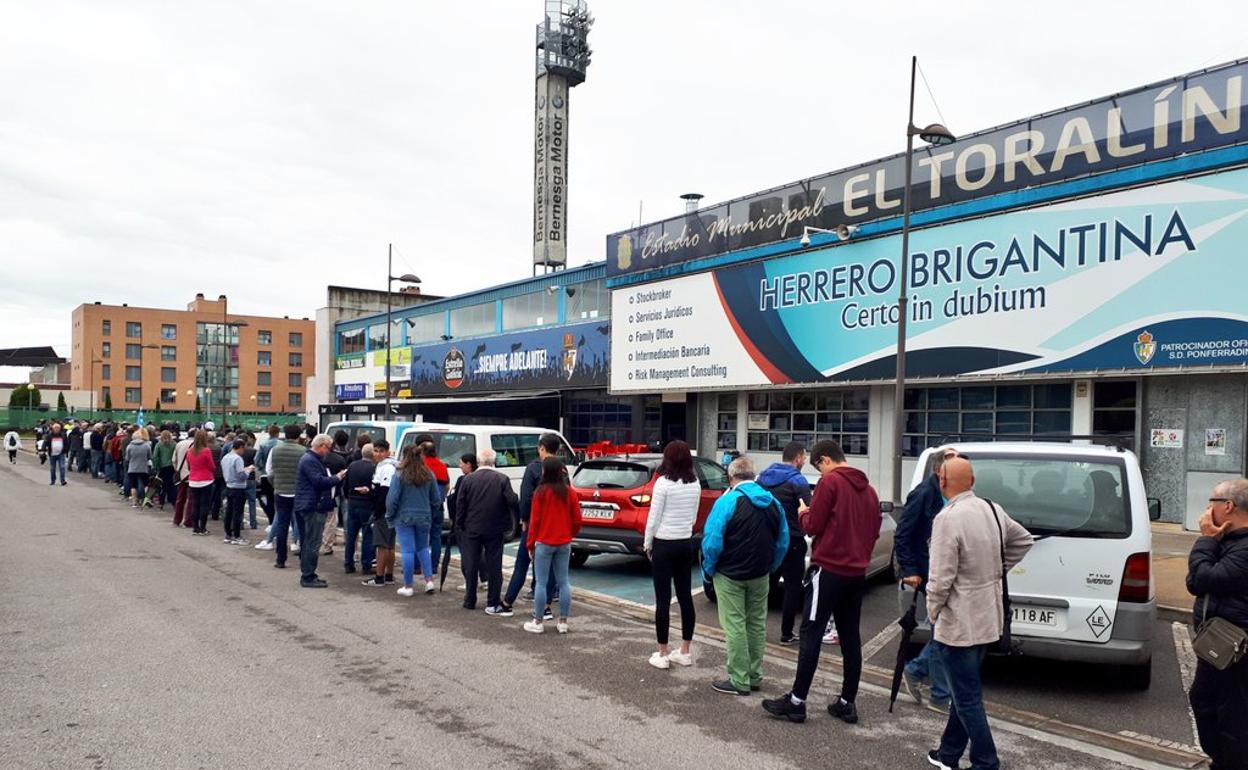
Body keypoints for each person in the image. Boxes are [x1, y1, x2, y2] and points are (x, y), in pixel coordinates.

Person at [923, 457, 1033, 770]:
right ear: (971, 481)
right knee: (964, 689)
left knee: (967, 697)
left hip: (959, 621)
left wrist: (932, 612)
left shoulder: (948, 518)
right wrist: (997, 570)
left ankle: (986, 762)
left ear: (942, 482)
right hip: (989, 616)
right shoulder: (992, 508)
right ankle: (948, 753)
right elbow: (1023, 540)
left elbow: (940, 579)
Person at [763, 439, 881, 725]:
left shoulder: (831, 483)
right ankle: (846, 701)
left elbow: (813, 525)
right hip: (856, 572)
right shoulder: (870, 491)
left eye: (819, 466)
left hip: (828, 569)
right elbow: (874, 530)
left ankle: (797, 701)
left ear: (826, 460)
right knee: (850, 636)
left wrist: (803, 513)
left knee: (811, 632)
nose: (820, 472)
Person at [701, 456, 788, 696]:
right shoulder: (773, 502)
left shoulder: (727, 501)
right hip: (760, 573)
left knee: (735, 625)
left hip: (730, 573)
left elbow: (712, 542)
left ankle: (739, 679)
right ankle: (754, 675)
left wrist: (709, 570)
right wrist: (772, 566)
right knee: (756, 624)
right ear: (754, 476)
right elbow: (783, 540)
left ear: (731, 477)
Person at [1187, 478, 1248, 770]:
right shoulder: (1230, 542)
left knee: (1232, 715)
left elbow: (1201, 579)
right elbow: (1195, 581)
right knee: (1206, 701)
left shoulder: (1243, 549)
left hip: (1236, 648)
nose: (1206, 508)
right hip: (1217, 645)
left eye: (1211, 501)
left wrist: (1206, 540)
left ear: (1228, 506)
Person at [896, 446, 958, 713]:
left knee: (945, 630)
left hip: (950, 570)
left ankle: (917, 670)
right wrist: (909, 569)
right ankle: (940, 695)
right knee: (942, 629)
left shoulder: (956, 494)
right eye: (951, 466)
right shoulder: (923, 494)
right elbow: (903, 533)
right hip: (929, 571)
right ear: (937, 470)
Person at [645, 439, 701, 669]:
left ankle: (662, 652)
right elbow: (694, 517)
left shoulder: (663, 484)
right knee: (685, 596)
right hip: (684, 543)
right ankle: (685, 650)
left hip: (664, 543)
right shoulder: (695, 483)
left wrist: (648, 543)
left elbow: (653, 518)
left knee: (663, 599)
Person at [757, 441, 814, 646]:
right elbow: (809, 509)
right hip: (793, 539)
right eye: (805, 457)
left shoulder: (763, 477)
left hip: (769, 538)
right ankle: (786, 633)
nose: (805, 461)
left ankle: (757, 631)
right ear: (798, 458)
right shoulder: (797, 480)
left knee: (765, 586)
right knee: (792, 588)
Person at [499, 433, 561, 617]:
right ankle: (547, 605)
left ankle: (508, 602)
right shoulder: (562, 469)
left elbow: (525, 498)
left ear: (541, 448)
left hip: (535, 523)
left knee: (522, 563)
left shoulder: (533, 468)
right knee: (550, 568)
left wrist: (524, 519)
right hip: (555, 526)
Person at [455, 447, 519, 613]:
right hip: (495, 527)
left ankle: (470, 599)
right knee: (494, 565)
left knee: (471, 564)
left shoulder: (468, 480)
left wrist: (460, 525)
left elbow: (460, 505)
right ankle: (492, 601)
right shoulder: (502, 479)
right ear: (494, 461)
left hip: (472, 527)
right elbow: (512, 500)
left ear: (477, 461)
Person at [524, 456, 582, 634]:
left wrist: (530, 544)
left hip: (544, 541)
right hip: (564, 541)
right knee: (563, 582)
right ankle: (563, 621)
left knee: (541, 582)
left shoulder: (540, 492)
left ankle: (538, 621)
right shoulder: (569, 492)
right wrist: (570, 533)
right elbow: (577, 519)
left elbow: (535, 522)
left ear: (545, 471)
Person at [385, 444, 442, 596]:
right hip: (424, 516)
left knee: (407, 550)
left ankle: (408, 586)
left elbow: (392, 499)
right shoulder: (429, 474)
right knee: (423, 548)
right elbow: (436, 499)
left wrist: (390, 515)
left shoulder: (399, 474)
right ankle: (429, 581)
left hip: (404, 516)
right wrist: (430, 511)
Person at [294, 434, 347, 588]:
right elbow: (318, 481)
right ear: (322, 445)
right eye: (328, 448)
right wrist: (337, 478)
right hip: (313, 505)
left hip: (309, 503)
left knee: (309, 541)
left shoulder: (310, 459)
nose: (329, 452)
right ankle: (308, 575)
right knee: (312, 542)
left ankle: (309, 573)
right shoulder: (310, 461)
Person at [264, 424, 308, 566]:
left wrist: (276, 483)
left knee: (282, 525)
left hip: (281, 491)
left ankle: (281, 559)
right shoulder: (303, 451)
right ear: (298, 435)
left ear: (285, 435)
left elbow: (269, 471)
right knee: (301, 525)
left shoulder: (275, 450)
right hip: (298, 493)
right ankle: (303, 555)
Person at [363, 440, 397, 587]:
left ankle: (379, 577)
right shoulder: (384, 466)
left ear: (388, 452)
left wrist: (378, 512)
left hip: (384, 511)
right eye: (376, 450)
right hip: (389, 511)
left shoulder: (387, 468)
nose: (378, 454)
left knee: (383, 545)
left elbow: (385, 492)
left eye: (381, 451)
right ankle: (388, 576)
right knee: (389, 545)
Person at [420, 438, 451, 585]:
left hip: (424, 506)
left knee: (421, 538)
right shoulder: (442, 466)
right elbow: (446, 486)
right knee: (436, 537)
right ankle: (433, 567)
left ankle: (419, 566)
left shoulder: (422, 465)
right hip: (439, 506)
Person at [343, 443, 377, 574]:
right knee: (368, 535)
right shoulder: (374, 468)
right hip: (367, 504)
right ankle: (366, 564)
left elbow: (345, 486)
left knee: (351, 535)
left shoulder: (352, 466)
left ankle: (348, 563)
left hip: (353, 502)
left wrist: (348, 496)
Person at [321, 430, 352, 556]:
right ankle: (345, 539)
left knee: (326, 517)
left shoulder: (321, 458)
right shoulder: (341, 459)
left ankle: (325, 542)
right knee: (341, 515)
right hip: (339, 490)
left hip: (324, 490)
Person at [221, 438, 252, 545]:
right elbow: (241, 475)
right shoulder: (238, 459)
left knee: (229, 511)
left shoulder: (225, 457)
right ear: (241, 447)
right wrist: (248, 471)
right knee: (238, 512)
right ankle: (237, 535)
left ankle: (228, 534)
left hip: (229, 485)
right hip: (238, 487)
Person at [186, 430, 218, 535]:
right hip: (206, 480)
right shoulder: (206, 451)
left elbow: (189, 466)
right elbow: (212, 466)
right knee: (204, 505)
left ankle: (195, 527)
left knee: (195, 504)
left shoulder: (189, 451)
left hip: (193, 480)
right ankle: (203, 528)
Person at [255, 424, 280, 522]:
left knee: (269, 499)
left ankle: (271, 520)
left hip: (265, 475)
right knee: (279, 499)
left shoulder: (263, 444)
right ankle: (278, 520)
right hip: (278, 474)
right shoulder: (281, 444)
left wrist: (262, 467)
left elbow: (256, 460)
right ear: (278, 433)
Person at [172, 429, 196, 527]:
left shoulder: (179, 444)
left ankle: (177, 519)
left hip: (181, 474)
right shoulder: (197, 445)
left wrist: (177, 469)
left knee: (180, 498)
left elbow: (174, 459)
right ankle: (188, 521)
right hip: (193, 474)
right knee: (190, 499)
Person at [124, 428, 152, 508]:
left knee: (133, 486)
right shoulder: (146, 445)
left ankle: (134, 503)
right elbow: (149, 456)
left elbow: (127, 458)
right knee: (146, 484)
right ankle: (147, 500)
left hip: (132, 468)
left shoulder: (129, 446)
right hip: (143, 468)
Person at [151, 430, 176, 510]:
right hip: (172, 467)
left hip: (162, 467)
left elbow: (155, 456)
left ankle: (161, 503)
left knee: (162, 486)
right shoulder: (174, 444)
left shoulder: (159, 444)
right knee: (172, 486)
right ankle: (174, 503)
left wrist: (156, 467)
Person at [243, 434, 260, 529]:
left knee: (241, 502)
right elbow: (257, 463)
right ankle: (253, 523)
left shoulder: (241, 452)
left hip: (242, 478)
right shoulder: (254, 451)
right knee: (252, 502)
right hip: (251, 478)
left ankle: (240, 523)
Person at [44, 422, 68, 486]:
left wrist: (65, 450)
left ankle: (62, 480)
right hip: (52, 454)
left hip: (61, 453)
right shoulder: (49, 435)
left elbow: (66, 443)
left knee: (62, 467)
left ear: (60, 429)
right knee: (53, 468)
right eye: (55, 428)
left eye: (58, 428)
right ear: (53, 428)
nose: (56, 429)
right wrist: (43, 450)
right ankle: (53, 480)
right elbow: (45, 443)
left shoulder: (63, 435)